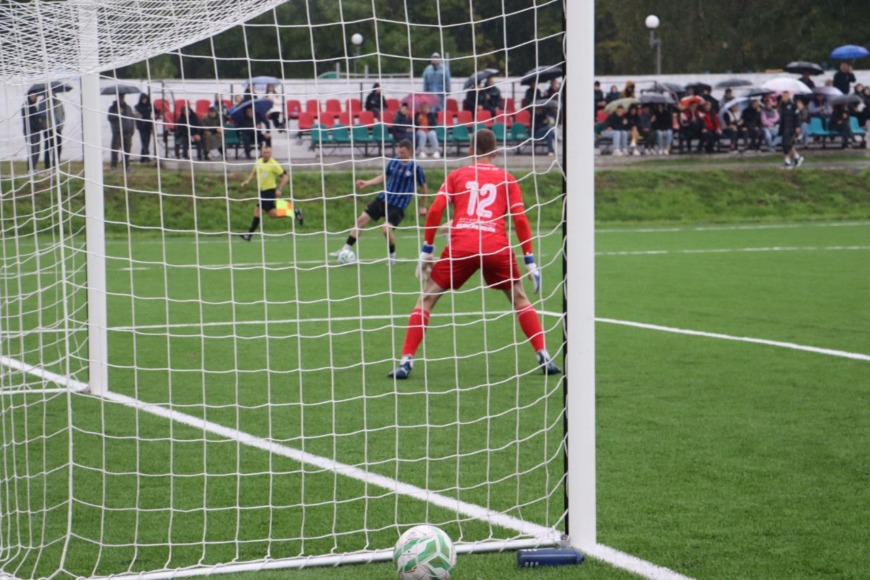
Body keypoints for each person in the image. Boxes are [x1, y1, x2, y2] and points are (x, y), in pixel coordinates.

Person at [387, 129, 560, 380]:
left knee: (426, 299)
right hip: (495, 246)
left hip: (462, 245)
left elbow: (435, 210)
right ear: (496, 152)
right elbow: (520, 219)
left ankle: (406, 362)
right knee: (520, 298)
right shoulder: (508, 179)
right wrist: (530, 260)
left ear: (469, 151)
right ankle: (543, 355)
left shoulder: (457, 175)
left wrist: (427, 249)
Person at [331, 140, 427, 266]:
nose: (400, 154)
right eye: (399, 152)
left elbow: (423, 187)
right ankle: (345, 249)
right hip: (383, 199)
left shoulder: (416, 168)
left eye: (402, 152)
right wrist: (367, 183)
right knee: (361, 220)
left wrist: (423, 207)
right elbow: (384, 177)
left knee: (386, 229)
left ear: (410, 152)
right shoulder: (394, 162)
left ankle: (392, 256)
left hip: (398, 205)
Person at [239, 144, 300, 241]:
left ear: (271, 153)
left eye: (268, 152)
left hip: (269, 191)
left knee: (257, 211)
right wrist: (247, 181)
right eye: (264, 152)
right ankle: (294, 212)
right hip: (262, 191)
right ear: (261, 152)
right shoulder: (258, 162)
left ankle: (249, 235)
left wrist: (279, 189)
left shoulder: (274, 164)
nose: (266, 154)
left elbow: (285, 176)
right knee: (272, 214)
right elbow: (254, 173)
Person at [108, 94, 136, 172]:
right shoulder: (113, 108)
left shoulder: (128, 107)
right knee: (115, 150)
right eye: (120, 97)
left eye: (123, 97)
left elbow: (131, 119)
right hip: (117, 132)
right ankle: (114, 166)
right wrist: (117, 114)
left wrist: (132, 130)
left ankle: (127, 166)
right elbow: (110, 118)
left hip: (127, 132)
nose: (122, 98)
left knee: (127, 150)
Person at [778, 91, 804, 169]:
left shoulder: (793, 105)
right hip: (784, 126)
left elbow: (797, 116)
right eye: (783, 96)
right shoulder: (782, 105)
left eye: (786, 96)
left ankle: (787, 161)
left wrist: (797, 126)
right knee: (787, 143)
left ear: (789, 96)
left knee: (786, 144)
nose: (784, 98)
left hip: (790, 127)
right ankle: (797, 157)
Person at [21, 91, 45, 173]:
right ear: (29, 96)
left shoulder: (34, 107)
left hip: (36, 131)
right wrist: (37, 126)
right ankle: (30, 168)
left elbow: (36, 119)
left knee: (37, 150)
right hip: (30, 131)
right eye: (33, 96)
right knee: (32, 150)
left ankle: (33, 167)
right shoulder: (26, 106)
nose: (35, 97)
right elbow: (29, 120)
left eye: (36, 96)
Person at [42, 94, 65, 169]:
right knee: (48, 148)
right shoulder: (43, 103)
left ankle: (56, 166)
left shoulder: (58, 102)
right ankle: (47, 167)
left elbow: (63, 113)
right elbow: (41, 114)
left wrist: (61, 122)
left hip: (57, 128)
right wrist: (49, 109)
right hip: (48, 129)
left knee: (58, 148)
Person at [134, 94, 154, 163]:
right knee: (144, 141)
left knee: (147, 141)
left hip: (148, 126)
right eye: (143, 99)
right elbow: (137, 116)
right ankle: (146, 156)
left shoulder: (149, 106)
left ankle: (143, 158)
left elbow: (154, 111)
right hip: (141, 126)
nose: (145, 100)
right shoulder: (137, 107)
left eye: (146, 99)